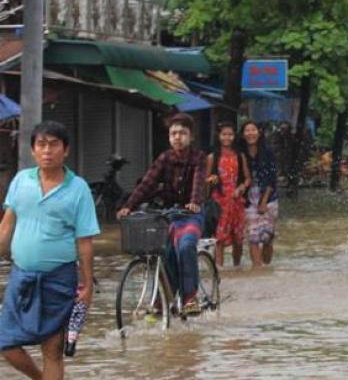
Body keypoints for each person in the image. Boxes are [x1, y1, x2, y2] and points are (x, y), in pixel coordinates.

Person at [0, 121, 100, 379]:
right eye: (41, 144)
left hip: (59, 278)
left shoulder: (78, 189)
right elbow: (6, 226)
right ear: (33, 150)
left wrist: (87, 285)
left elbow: (85, 241)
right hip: (21, 276)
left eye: (54, 144)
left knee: (52, 351)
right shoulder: (21, 181)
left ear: (65, 150)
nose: (47, 151)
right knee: (7, 344)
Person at [118, 113, 206, 314]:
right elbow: (147, 184)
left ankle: (190, 296)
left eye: (182, 133)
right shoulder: (164, 158)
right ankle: (164, 296)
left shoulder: (198, 157)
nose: (177, 137)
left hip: (191, 213)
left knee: (185, 246)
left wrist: (193, 202)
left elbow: (198, 183)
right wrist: (128, 206)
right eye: (173, 133)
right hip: (167, 213)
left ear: (190, 137)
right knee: (162, 251)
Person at [206, 121, 252, 268]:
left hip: (237, 202)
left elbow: (248, 179)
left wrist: (241, 188)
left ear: (234, 136)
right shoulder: (212, 157)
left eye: (230, 134)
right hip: (219, 202)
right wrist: (211, 180)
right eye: (224, 134)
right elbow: (205, 180)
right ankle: (218, 270)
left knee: (238, 239)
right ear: (218, 136)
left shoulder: (240, 156)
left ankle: (237, 268)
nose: (227, 137)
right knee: (219, 238)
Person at [240, 121, 279, 268]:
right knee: (253, 236)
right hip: (248, 199)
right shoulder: (241, 154)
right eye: (247, 130)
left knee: (267, 237)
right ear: (243, 134)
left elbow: (272, 179)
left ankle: (266, 268)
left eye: (253, 130)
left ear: (259, 132)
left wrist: (264, 201)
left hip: (268, 197)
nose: (250, 133)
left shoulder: (268, 152)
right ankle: (257, 269)